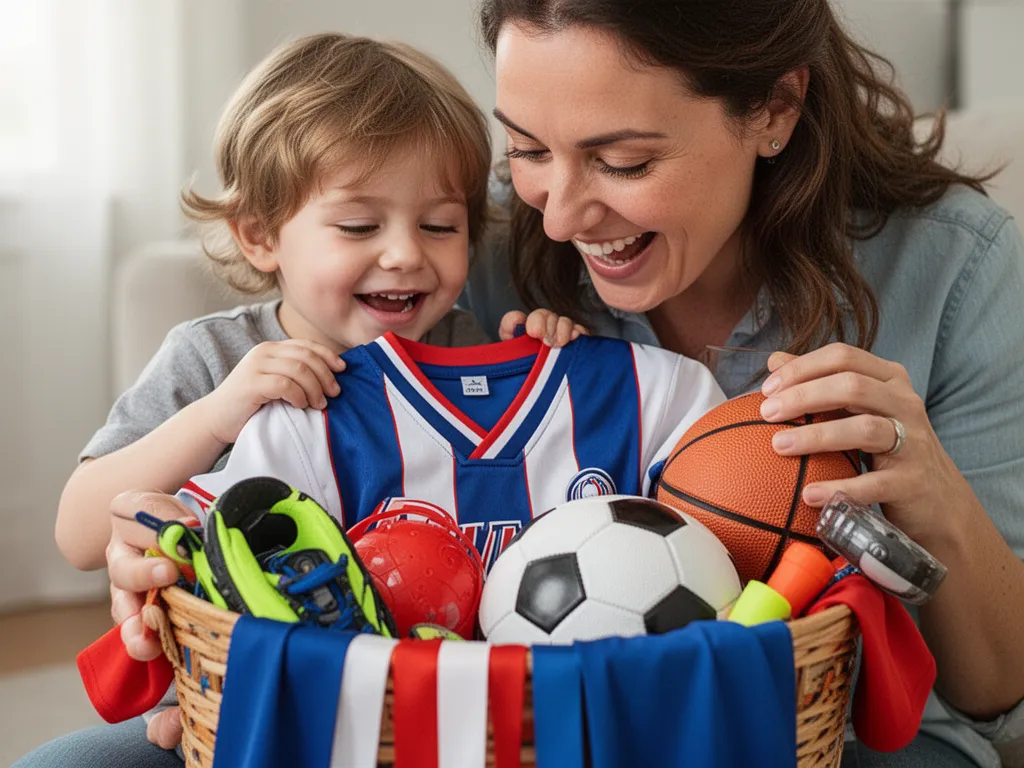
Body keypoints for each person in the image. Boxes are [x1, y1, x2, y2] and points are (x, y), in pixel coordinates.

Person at [460, 1, 1024, 767]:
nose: (559, 217)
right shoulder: (473, 254)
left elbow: (997, 699)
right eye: (526, 149)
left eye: (623, 162)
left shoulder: (957, 271)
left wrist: (936, 501)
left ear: (775, 109)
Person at [19, 32, 504, 768]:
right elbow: (79, 532)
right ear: (258, 234)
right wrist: (218, 412)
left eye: (440, 225)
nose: (406, 252)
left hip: (432, 707)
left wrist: (551, 349)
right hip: (232, 708)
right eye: (359, 226)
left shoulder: (472, 354)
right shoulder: (213, 359)